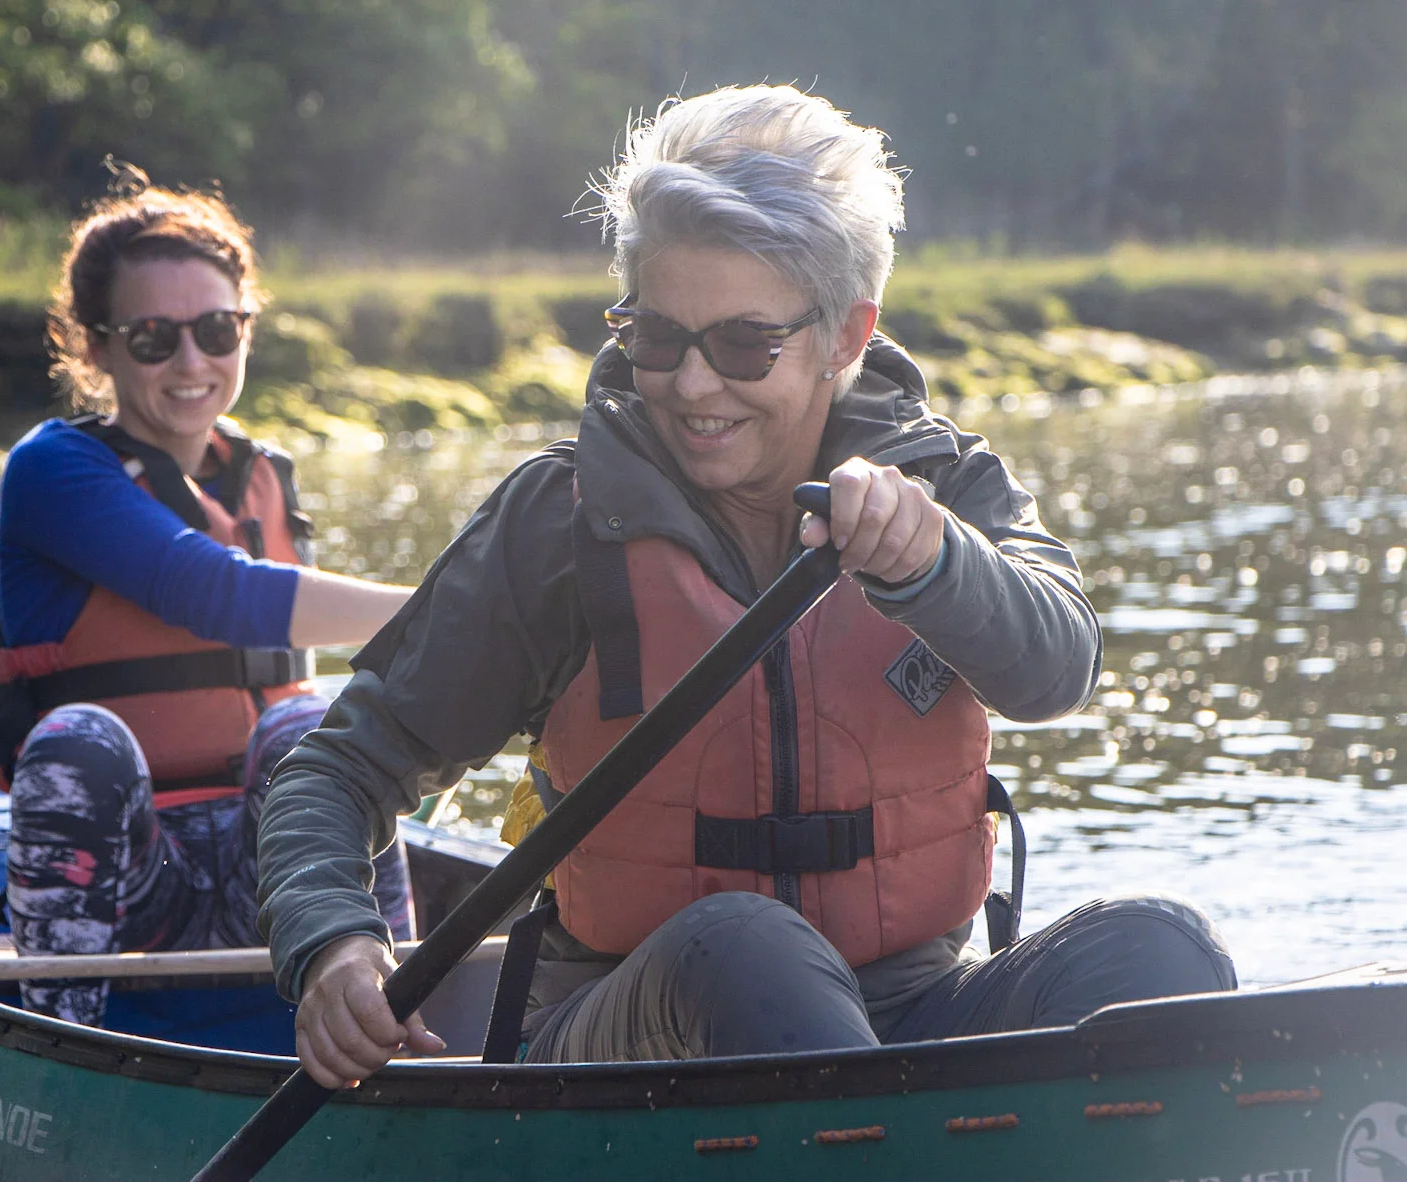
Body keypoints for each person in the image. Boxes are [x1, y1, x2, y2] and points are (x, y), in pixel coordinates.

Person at [257, 85, 1237, 1088]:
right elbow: (336, 771)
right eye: (655, 337)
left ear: (845, 337)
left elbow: (1058, 670)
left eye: (740, 346)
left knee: (1158, 951)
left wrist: (932, 564)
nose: (690, 386)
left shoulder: (948, 486)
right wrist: (333, 942)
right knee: (748, 948)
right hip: (639, 1042)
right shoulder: (560, 522)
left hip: (910, 1017)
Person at [0, 168, 415, 1026]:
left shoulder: (262, 476)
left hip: (282, 870)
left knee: (310, 724)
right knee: (80, 738)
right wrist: (460, 606)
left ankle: (393, 1014)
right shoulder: (53, 469)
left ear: (246, 328)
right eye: (153, 338)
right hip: (129, 879)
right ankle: (62, 1038)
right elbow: (214, 594)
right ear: (97, 348)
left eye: (217, 330)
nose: (192, 362)